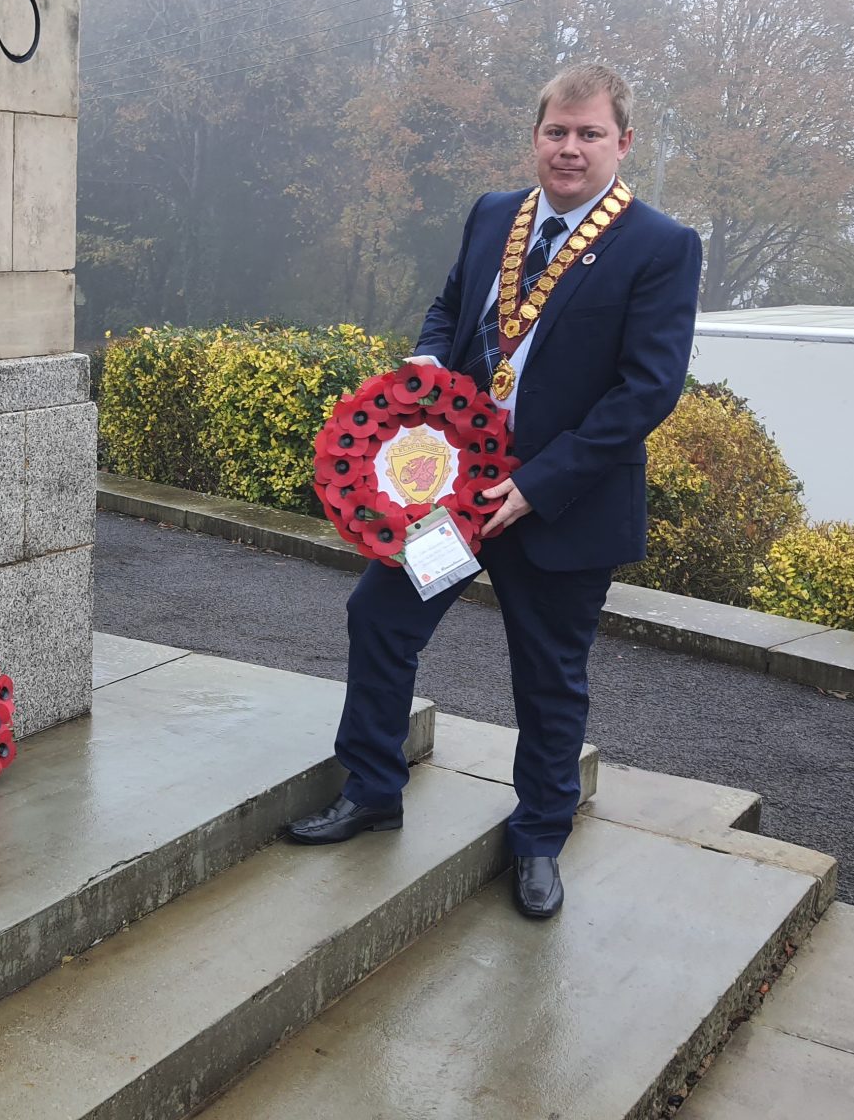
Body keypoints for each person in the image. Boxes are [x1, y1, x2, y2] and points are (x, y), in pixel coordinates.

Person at [284, 63, 702, 920]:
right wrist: (427, 375)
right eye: (557, 131)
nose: (571, 149)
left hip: (559, 506)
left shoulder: (661, 247)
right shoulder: (491, 215)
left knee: (547, 677)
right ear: (536, 134)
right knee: (382, 617)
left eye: (590, 134)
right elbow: (448, 310)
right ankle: (371, 789)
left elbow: (645, 392)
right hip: (457, 500)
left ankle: (540, 839)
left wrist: (536, 485)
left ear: (624, 142)